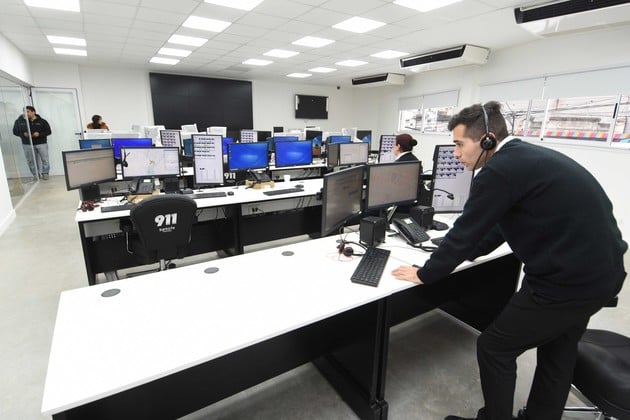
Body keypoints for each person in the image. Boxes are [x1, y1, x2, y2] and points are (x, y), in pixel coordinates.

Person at [391, 101, 627, 420]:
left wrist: (426, 273)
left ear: (487, 140)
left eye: (460, 144)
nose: (456, 153)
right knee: (558, 350)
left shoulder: (499, 171)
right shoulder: (523, 159)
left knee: (494, 348)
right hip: (601, 274)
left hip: (566, 283)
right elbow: (497, 227)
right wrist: (461, 252)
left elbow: (465, 232)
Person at [13, 105, 52, 181]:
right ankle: (35, 174)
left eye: (27, 112)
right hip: (27, 144)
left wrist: (39, 134)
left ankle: (45, 173)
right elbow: (15, 132)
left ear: (33, 112)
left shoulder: (42, 121)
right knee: (30, 161)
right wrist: (23, 134)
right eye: (24, 112)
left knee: (45, 159)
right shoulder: (19, 121)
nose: (25, 113)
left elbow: (49, 131)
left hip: (41, 143)